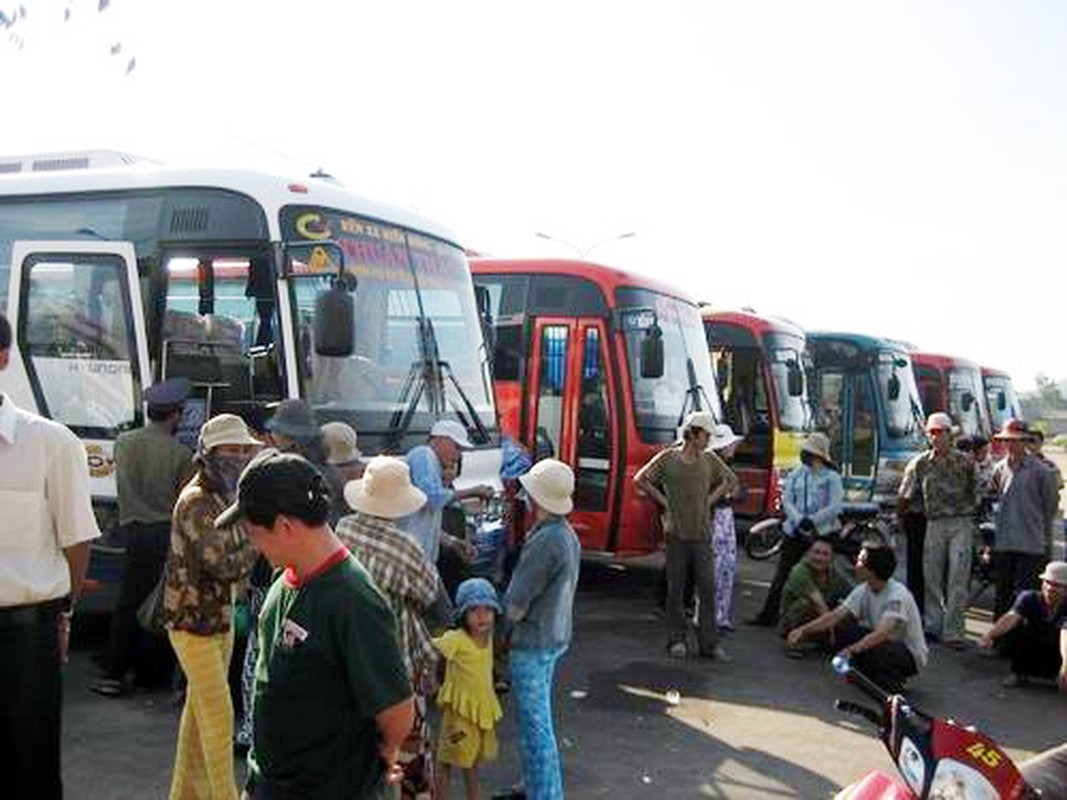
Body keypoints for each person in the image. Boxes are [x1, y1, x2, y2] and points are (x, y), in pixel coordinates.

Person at [213, 450, 415, 800]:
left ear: (286, 526)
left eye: (254, 533)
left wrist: (383, 752)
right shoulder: (284, 582)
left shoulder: (353, 600)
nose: (253, 545)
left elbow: (397, 713)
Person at [0, 310, 101, 800]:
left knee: (29, 767)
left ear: (2, 359)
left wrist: (66, 614)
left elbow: (77, 539)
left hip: (24, 636)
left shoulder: (50, 443)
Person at [160, 413, 261, 800]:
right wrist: (260, 540)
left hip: (219, 616)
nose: (237, 456)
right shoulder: (198, 501)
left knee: (197, 721)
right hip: (190, 622)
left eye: (242, 450)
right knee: (218, 719)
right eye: (230, 450)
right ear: (209, 454)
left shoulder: (225, 495)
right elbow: (223, 564)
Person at [337, 456, 442, 800]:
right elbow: (430, 595)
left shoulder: (342, 530)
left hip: (349, 660)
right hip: (397, 662)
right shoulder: (404, 547)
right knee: (408, 753)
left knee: (362, 749)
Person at [90, 377, 194, 697]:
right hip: (164, 533)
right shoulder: (181, 453)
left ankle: (113, 673)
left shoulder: (125, 441)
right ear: (176, 416)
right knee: (158, 606)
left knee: (127, 603)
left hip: (132, 531)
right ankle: (149, 674)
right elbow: (184, 499)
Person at [500, 459, 581, 800]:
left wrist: (497, 638)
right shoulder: (566, 534)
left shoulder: (546, 541)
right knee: (538, 722)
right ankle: (534, 787)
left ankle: (546, 793)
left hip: (533, 642)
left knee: (535, 727)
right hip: (555, 637)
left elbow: (516, 603)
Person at [635, 411, 736, 658]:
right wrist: (665, 502)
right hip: (676, 533)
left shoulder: (710, 460)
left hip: (701, 532)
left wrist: (708, 501)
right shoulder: (668, 458)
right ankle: (676, 640)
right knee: (676, 589)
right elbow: (641, 479)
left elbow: (730, 480)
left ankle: (709, 644)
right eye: (706, 434)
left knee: (708, 587)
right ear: (694, 434)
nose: (709, 440)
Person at [788, 544, 927, 693]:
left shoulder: (897, 594)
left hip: (906, 654)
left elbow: (882, 633)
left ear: (872, 569)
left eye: (860, 561)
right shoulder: (864, 589)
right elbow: (834, 616)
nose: (856, 564)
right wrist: (803, 630)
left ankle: (892, 680)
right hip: (882, 643)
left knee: (877, 646)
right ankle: (868, 673)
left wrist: (850, 651)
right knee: (844, 627)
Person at [898, 412, 978, 647]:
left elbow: (977, 490)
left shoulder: (965, 462)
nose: (937, 436)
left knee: (957, 577)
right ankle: (932, 625)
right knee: (931, 576)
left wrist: (969, 512)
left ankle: (953, 632)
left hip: (960, 522)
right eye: (933, 432)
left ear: (949, 434)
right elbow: (905, 494)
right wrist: (900, 517)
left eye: (941, 431)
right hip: (933, 522)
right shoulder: (920, 463)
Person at [749, 432, 843, 627]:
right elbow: (787, 500)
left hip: (823, 532)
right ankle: (768, 615)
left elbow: (834, 506)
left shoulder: (832, 478)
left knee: (823, 575)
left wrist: (813, 521)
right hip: (795, 530)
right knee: (782, 574)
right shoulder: (797, 474)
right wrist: (799, 520)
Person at [434, 578, 504, 800]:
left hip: (480, 712)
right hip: (459, 715)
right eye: (474, 609)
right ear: (463, 613)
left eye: (488, 609)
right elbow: (428, 647)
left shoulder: (489, 636)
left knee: (472, 763)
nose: (482, 616)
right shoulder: (456, 639)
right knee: (445, 761)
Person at [990, 419, 1061, 619]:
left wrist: (1046, 542)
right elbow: (994, 500)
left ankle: (1023, 644)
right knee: (1002, 595)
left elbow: (1050, 508)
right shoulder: (999, 469)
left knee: (1026, 599)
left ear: (1025, 441)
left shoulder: (1042, 472)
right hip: (1004, 543)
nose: (1010, 445)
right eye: (1006, 440)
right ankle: (999, 642)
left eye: (1015, 440)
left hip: (1031, 545)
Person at [400, 419, 494, 566]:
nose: (458, 456)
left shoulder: (434, 465)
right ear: (440, 439)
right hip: (407, 559)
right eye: (456, 447)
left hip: (421, 562)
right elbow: (431, 497)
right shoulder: (423, 454)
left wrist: (453, 543)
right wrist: (474, 491)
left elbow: (425, 525)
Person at [979, 561, 1067, 691]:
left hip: (1058, 649)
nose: (1050, 588)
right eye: (1047, 583)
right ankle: (1019, 673)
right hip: (1033, 644)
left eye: (1057, 585)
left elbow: (1066, 635)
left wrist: (1065, 666)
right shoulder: (1029, 597)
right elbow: (1011, 617)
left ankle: (1060, 677)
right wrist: (990, 635)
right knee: (1017, 628)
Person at [779, 535, 854, 657]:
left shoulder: (834, 573)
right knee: (807, 603)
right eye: (816, 552)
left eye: (825, 554)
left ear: (832, 558)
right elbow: (819, 604)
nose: (819, 557)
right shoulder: (799, 571)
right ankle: (795, 641)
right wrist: (831, 633)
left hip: (819, 620)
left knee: (848, 609)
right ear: (809, 553)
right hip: (791, 620)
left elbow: (855, 594)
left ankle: (823, 642)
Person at [708, 423, 744, 631]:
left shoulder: (723, 467)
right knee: (717, 568)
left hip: (724, 518)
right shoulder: (713, 467)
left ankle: (720, 615)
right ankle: (714, 615)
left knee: (724, 567)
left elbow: (738, 492)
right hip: (717, 519)